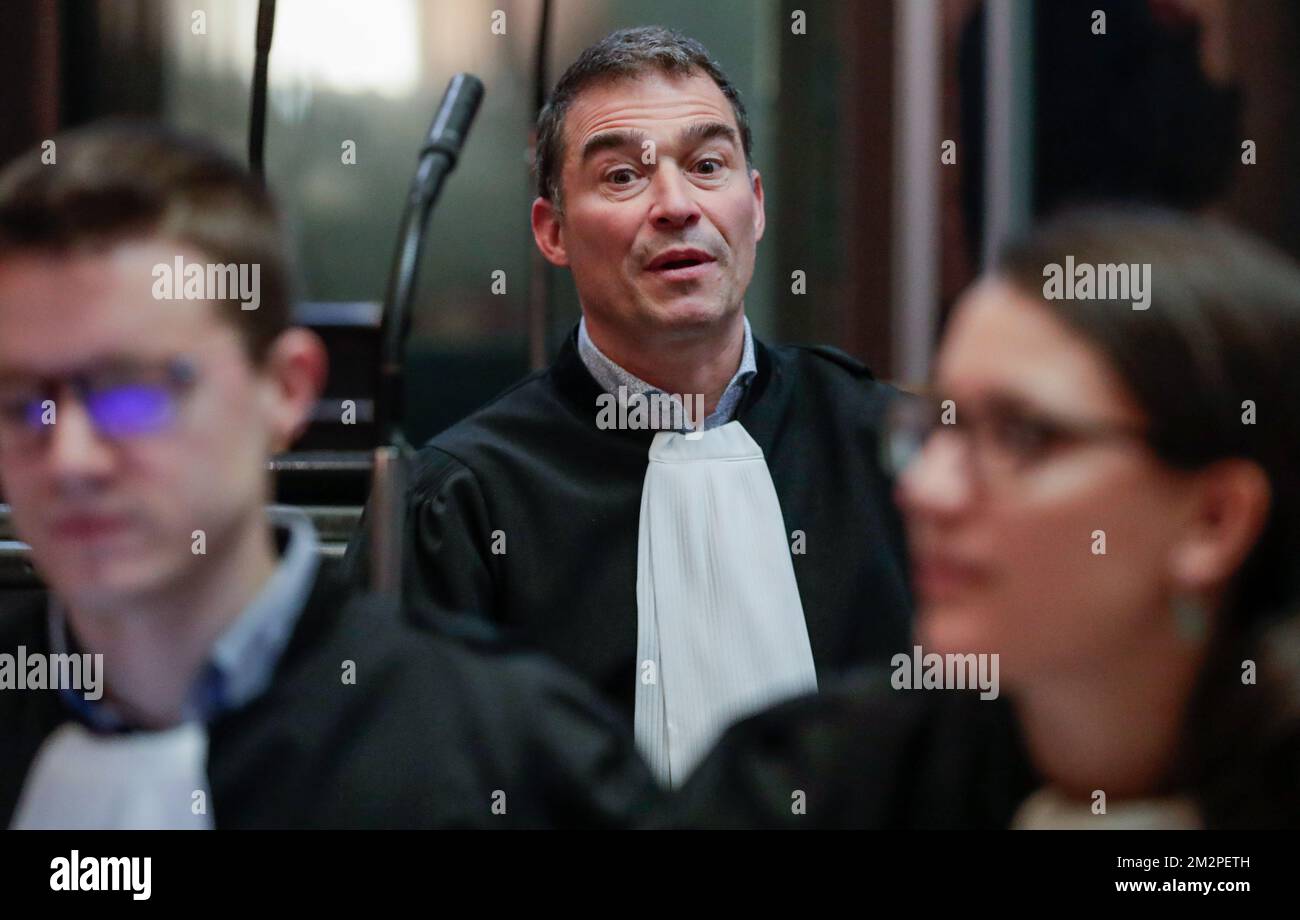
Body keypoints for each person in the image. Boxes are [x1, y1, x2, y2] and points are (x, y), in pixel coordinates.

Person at [0, 122, 657, 829]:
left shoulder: (497, 755)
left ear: (286, 388)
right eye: (19, 402)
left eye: (131, 392)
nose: (69, 457)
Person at [347, 26, 912, 787]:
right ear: (552, 232)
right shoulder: (463, 501)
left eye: (708, 165)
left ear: (754, 203)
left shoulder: (886, 446)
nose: (676, 206)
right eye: (622, 178)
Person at [671, 208, 1300, 828]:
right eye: (937, 425)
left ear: (1214, 521)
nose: (925, 490)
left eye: (1023, 436)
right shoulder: (808, 778)